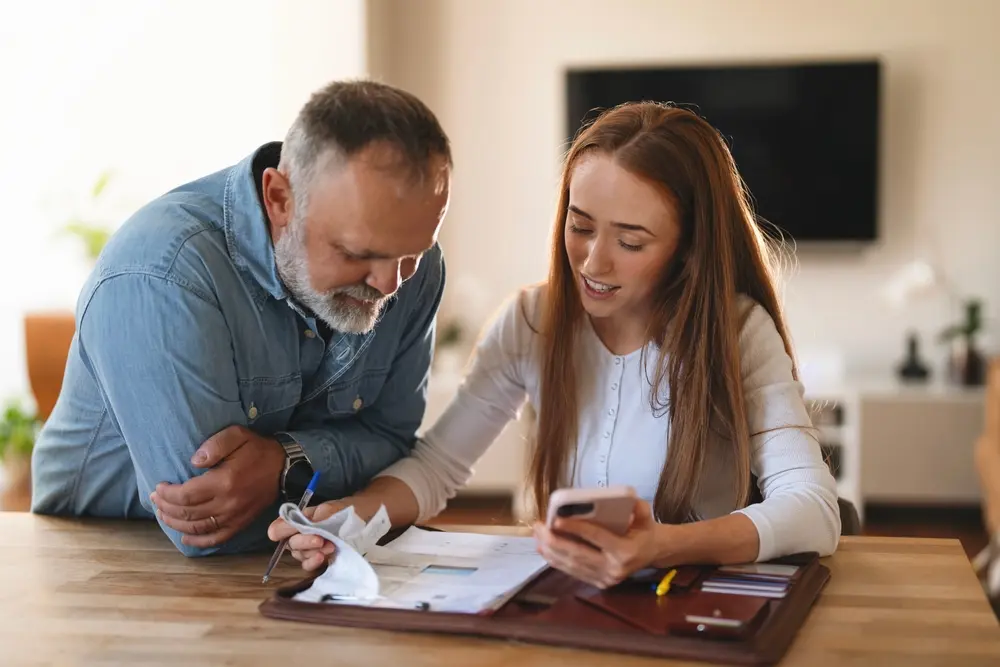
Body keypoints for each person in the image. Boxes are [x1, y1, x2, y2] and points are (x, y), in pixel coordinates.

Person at [268, 101, 842, 588]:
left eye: (631, 241)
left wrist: (663, 546)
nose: (593, 261)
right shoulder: (533, 322)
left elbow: (814, 511)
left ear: (689, 248)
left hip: (690, 604)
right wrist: (347, 520)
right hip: (575, 605)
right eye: (581, 224)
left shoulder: (737, 333)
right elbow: (438, 466)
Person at [30, 80, 453, 557]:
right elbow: (205, 524)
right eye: (357, 253)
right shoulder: (163, 273)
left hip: (292, 562)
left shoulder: (417, 268)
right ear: (279, 199)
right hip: (99, 565)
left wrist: (285, 460)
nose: (391, 284)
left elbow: (393, 440)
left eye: (412, 254)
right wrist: (346, 487)